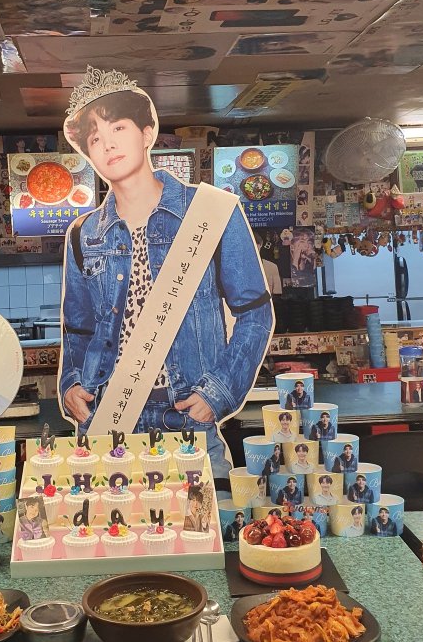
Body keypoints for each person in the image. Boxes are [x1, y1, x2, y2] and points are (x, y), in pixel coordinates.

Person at [59, 77, 272, 480]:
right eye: (95, 138)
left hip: (185, 413)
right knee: (108, 523)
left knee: (203, 520)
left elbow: (254, 314)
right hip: (108, 417)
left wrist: (219, 391)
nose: (108, 144)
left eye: (118, 127)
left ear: (147, 133)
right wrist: (71, 383)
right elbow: (78, 328)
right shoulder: (83, 235)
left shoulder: (211, 211)